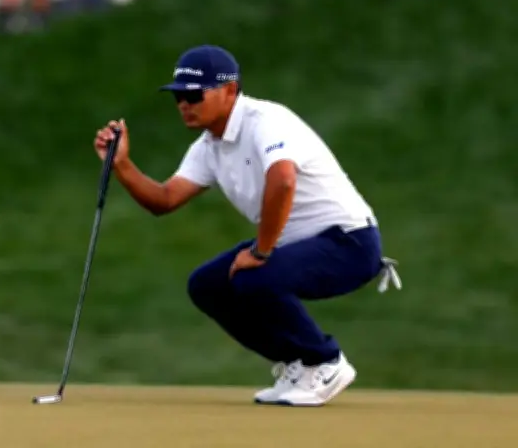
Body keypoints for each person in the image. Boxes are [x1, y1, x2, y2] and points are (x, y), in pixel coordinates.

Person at [92, 45, 401, 407]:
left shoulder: (266, 121)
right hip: (297, 246)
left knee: (254, 276)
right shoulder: (209, 146)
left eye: (193, 94)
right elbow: (164, 200)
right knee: (207, 285)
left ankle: (326, 362)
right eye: (178, 97)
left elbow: (283, 180)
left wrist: (261, 250)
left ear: (230, 90)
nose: (184, 104)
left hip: (349, 244)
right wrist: (123, 165)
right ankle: (299, 365)